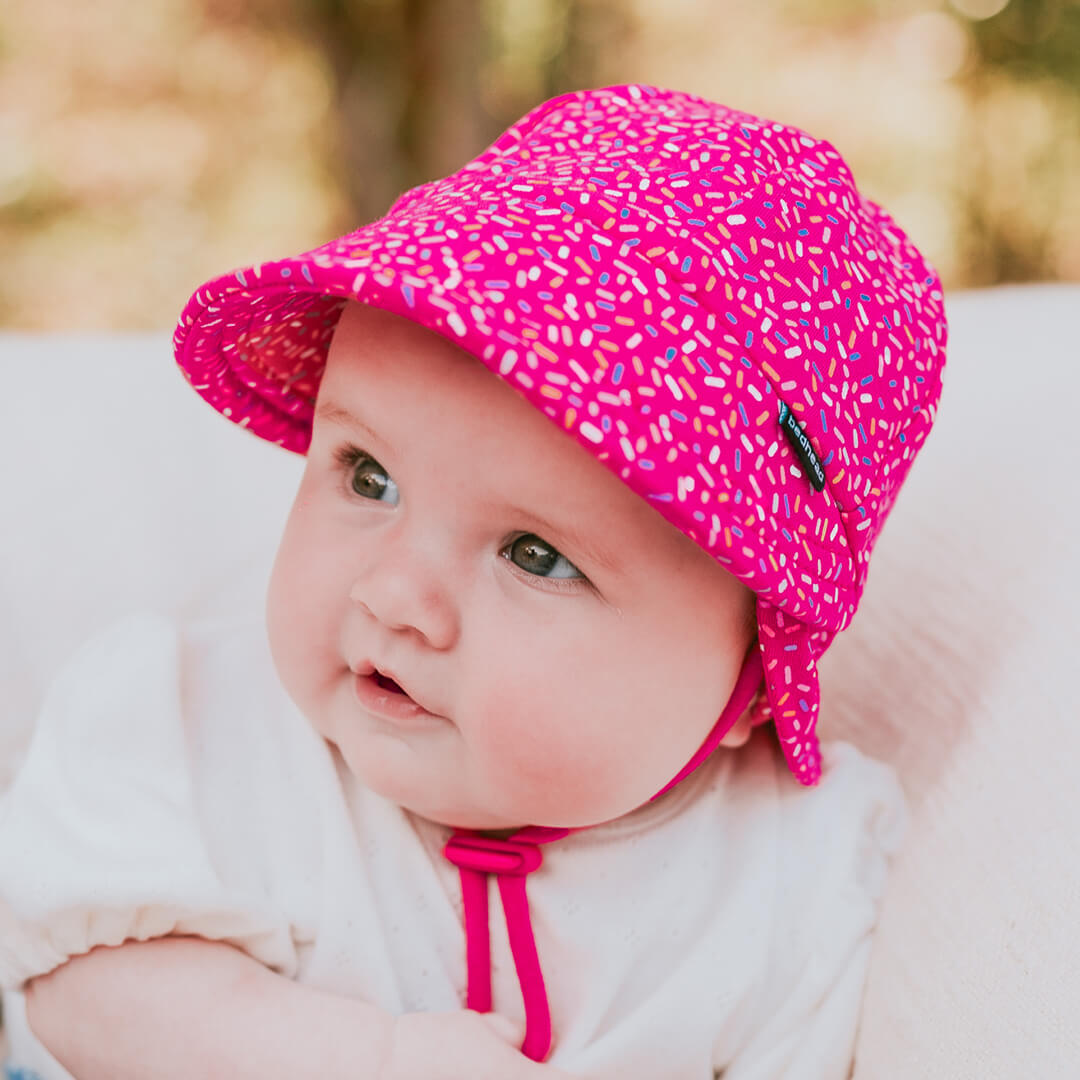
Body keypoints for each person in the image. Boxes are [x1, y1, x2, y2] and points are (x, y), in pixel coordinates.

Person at [0, 83, 946, 1079]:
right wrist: (369, 1060)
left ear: (757, 674)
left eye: (536, 555)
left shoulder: (789, 883)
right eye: (369, 477)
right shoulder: (189, 723)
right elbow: (72, 989)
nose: (392, 595)